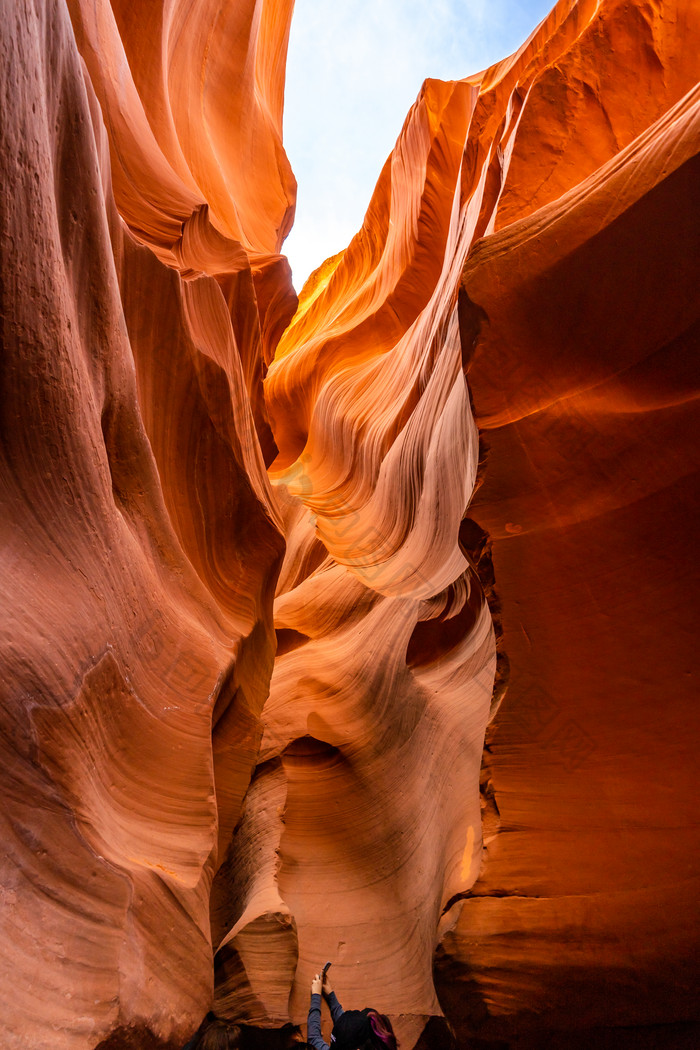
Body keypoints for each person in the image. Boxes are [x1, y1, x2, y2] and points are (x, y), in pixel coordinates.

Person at [307, 969, 398, 1050]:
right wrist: (331, 995)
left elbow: (314, 1039)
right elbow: (348, 1028)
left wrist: (316, 995)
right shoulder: (376, 1040)